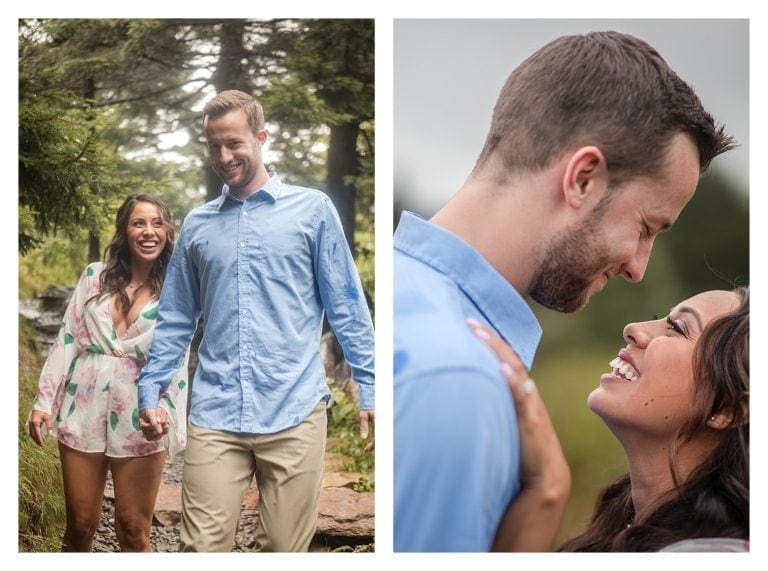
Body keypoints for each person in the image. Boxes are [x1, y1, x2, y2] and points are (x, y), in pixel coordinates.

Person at [393, 30, 735, 551]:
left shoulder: (404, 295)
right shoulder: (460, 377)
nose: (638, 268)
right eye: (646, 227)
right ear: (583, 179)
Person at [136, 89, 375, 552]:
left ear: (261, 138)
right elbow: (177, 318)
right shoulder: (198, 226)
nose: (223, 156)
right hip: (216, 413)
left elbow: (347, 305)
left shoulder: (313, 211)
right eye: (213, 146)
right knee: (200, 549)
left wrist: (370, 385)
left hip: (294, 410)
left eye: (234, 144)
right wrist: (152, 389)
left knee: (284, 550)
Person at [472, 287, 749, 552]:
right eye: (659, 319)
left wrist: (548, 488)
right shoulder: (624, 526)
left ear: (727, 408)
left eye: (678, 328)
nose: (633, 329)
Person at [27, 194, 188, 552]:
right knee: (80, 528)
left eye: (157, 223)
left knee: (133, 531)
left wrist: (164, 410)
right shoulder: (94, 276)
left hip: (142, 413)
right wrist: (43, 402)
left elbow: (178, 360)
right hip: (83, 407)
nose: (149, 231)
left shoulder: (179, 289)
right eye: (138, 222)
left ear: (169, 231)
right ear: (124, 231)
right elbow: (67, 339)